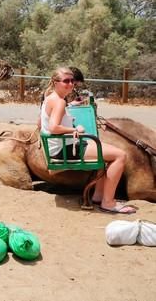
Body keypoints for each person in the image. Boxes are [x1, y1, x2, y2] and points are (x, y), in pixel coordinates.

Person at [40, 67, 136, 214]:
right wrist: (74, 129)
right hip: (65, 150)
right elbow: (53, 127)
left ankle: (98, 196)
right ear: (55, 82)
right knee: (120, 155)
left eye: (72, 81)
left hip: (63, 147)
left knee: (105, 150)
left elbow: (44, 124)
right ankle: (108, 202)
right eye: (66, 81)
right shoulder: (59, 102)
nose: (71, 84)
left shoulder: (51, 98)